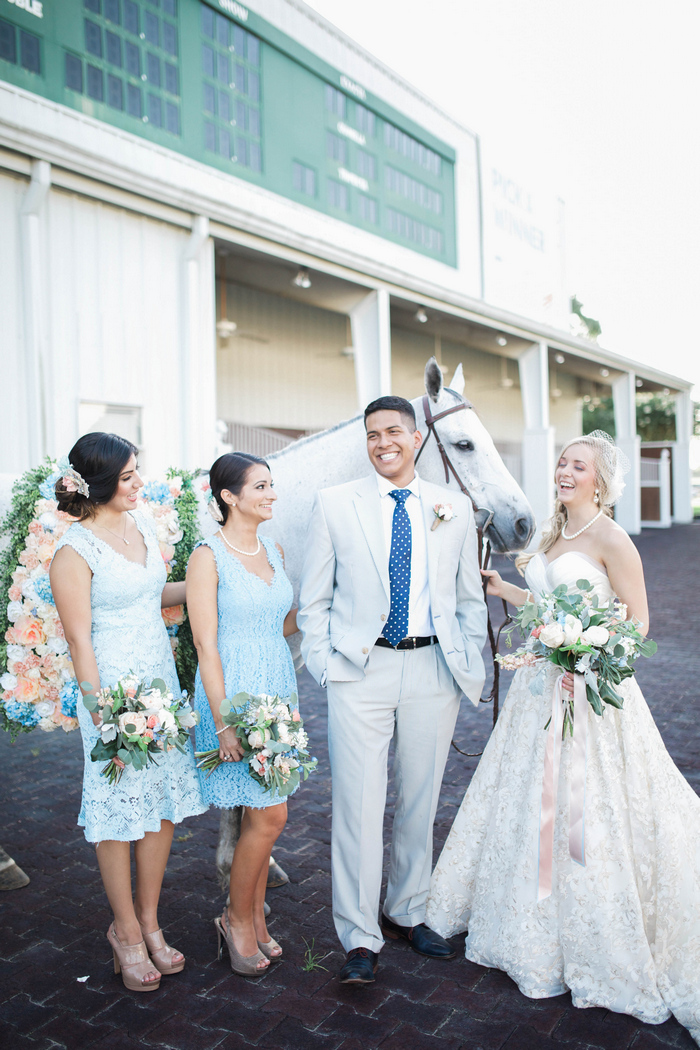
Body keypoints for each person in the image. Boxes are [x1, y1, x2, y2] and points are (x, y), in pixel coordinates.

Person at [426, 430, 700, 1046]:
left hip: (591, 694)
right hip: (538, 692)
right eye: (562, 462)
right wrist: (506, 591)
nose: (565, 471)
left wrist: (588, 654)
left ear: (600, 480)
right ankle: (527, 921)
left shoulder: (611, 538)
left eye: (579, 465)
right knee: (526, 800)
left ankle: (595, 925)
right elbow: (547, 609)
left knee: (592, 808)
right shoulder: (550, 535)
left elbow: (639, 621)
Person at [298, 395, 488, 985]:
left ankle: (409, 909)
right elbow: (315, 600)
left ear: (415, 438)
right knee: (357, 803)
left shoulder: (452, 506)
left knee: (421, 798)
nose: (382, 443)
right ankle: (359, 935)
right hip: (362, 671)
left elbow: (466, 599)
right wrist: (325, 664)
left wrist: (466, 655)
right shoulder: (335, 504)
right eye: (372, 435)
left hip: (433, 669)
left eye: (393, 432)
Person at [50, 433, 207, 993]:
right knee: (118, 814)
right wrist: (101, 712)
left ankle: (149, 920)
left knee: (161, 806)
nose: (139, 483)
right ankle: (124, 931)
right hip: (113, 694)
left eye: (138, 472)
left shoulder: (141, 527)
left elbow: (152, 593)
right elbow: (78, 639)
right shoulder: (73, 552)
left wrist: (210, 582)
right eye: (127, 477)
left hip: (160, 687)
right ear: (96, 485)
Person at [186, 453, 298, 977]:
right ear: (229, 496)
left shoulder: (272, 548)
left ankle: (251, 915)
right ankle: (235, 918)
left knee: (266, 816)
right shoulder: (207, 557)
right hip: (232, 700)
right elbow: (206, 646)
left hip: (276, 691)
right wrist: (225, 723)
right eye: (261, 486)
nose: (272, 494)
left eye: (272, 485)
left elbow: (279, 622)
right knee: (268, 814)